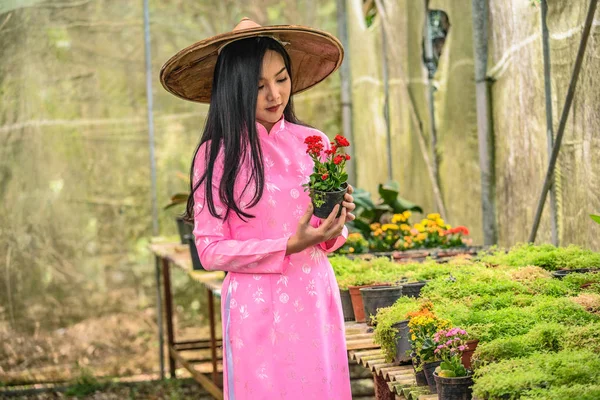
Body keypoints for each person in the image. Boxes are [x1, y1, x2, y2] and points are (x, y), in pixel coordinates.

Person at [160, 18, 355, 400]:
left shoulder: (313, 142)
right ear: (234, 89)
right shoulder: (215, 155)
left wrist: (335, 222)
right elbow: (210, 250)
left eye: (281, 80)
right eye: (258, 85)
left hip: (314, 296)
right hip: (256, 308)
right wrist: (288, 244)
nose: (274, 95)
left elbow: (328, 236)